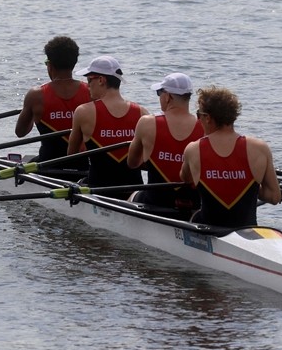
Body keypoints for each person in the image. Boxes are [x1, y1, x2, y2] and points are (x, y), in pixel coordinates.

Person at [180, 86, 281, 227]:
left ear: (208, 118)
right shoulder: (260, 148)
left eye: (199, 114)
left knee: (195, 215)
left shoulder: (193, 149)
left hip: (209, 229)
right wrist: (248, 185)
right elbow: (274, 197)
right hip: (246, 229)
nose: (198, 120)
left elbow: (186, 179)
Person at [126, 72, 204, 217]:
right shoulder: (205, 127)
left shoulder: (146, 123)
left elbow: (132, 163)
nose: (159, 97)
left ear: (167, 97)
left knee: (134, 195)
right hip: (193, 204)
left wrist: (153, 157)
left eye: (159, 93)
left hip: (155, 202)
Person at [66, 55, 149, 187]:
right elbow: (147, 161)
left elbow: (71, 156)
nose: (87, 86)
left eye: (89, 80)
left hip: (98, 190)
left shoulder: (83, 112)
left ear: (101, 80)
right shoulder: (142, 113)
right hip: (133, 189)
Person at [14, 35, 92, 164]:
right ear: (74, 63)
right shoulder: (90, 92)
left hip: (48, 167)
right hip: (84, 167)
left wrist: (33, 112)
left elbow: (20, 132)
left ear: (50, 65)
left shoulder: (36, 95)